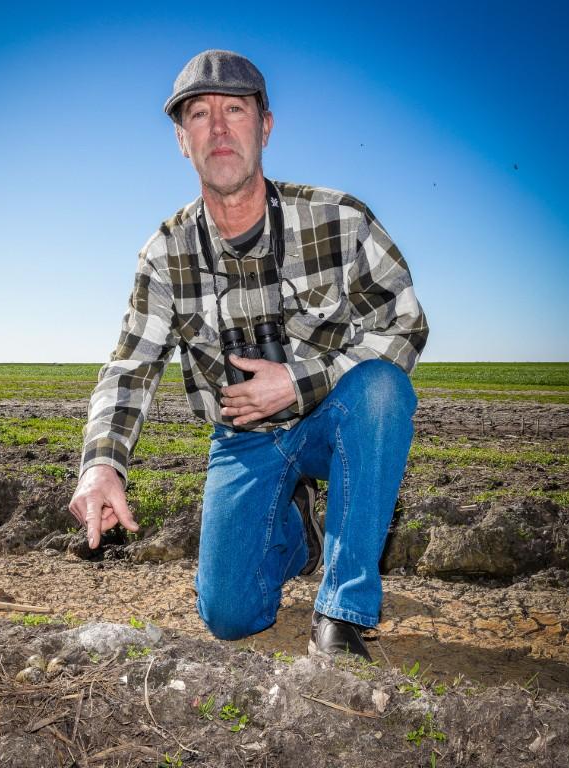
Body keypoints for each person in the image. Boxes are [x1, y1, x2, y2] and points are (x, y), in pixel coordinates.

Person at [69, 50, 428, 661]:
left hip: (334, 415)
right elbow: (130, 366)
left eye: (235, 110)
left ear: (265, 125)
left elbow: (404, 325)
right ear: (182, 140)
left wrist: (298, 381)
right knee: (229, 616)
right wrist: (101, 464)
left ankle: (342, 613)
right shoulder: (164, 254)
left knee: (382, 390)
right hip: (243, 437)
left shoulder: (340, 219)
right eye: (199, 115)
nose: (218, 128)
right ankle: (297, 534)